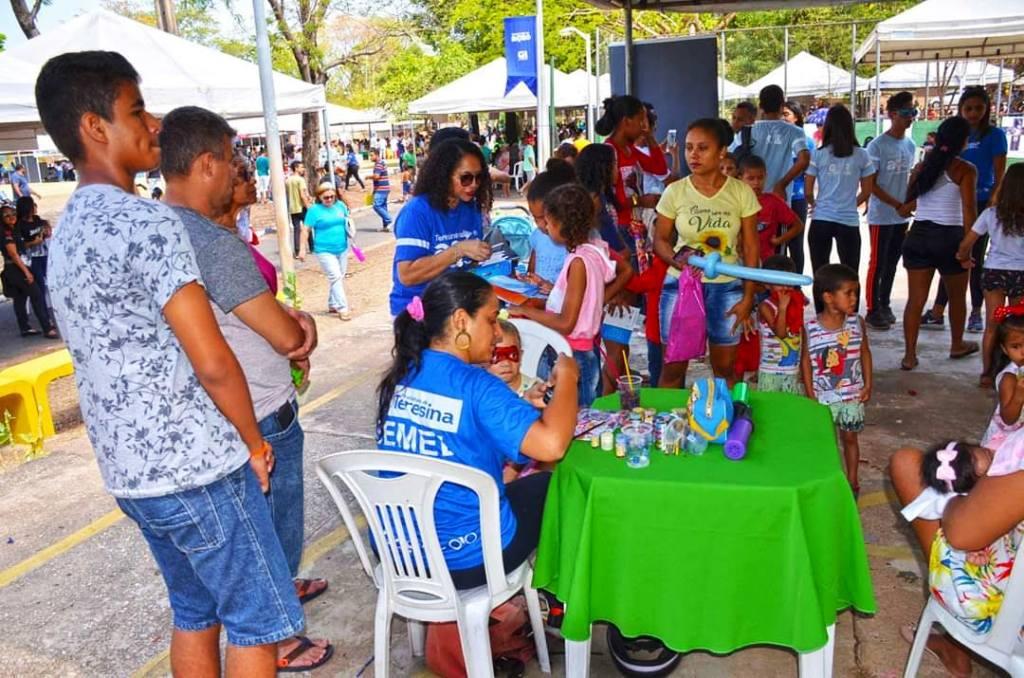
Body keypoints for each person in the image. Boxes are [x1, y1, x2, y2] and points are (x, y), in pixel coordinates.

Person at [36, 50, 299, 676]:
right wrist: (252, 440)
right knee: (257, 623)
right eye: (136, 110)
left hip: (132, 473)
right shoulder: (146, 222)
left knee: (194, 612)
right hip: (198, 465)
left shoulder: (67, 227)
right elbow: (212, 360)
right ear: (95, 128)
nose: (153, 123)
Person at [159, 106, 331, 674]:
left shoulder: (154, 230)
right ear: (207, 164)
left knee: (196, 608)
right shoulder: (209, 241)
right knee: (262, 583)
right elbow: (280, 336)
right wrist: (301, 329)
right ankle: (281, 639)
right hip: (257, 415)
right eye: (234, 160)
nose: (241, 171)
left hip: (193, 433)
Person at [376, 271, 577, 589]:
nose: (498, 334)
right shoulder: (477, 385)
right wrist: (568, 378)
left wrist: (522, 403)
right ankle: (556, 600)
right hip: (465, 557)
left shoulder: (402, 373)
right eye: (492, 319)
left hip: (402, 551)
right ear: (460, 321)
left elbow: (456, 436)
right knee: (560, 487)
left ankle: (464, 628)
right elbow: (552, 446)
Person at [889, 444, 1024, 678]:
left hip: (1004, 617)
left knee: (906, 464)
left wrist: (957, 498)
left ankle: (958, 643)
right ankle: (955, 646)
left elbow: (960, 535)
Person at [654, 118, 760, 388]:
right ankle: (670, 425)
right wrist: (680, 262)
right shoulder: (675, 191)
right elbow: (661, 240)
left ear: (722, 151)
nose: (693, 155)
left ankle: (726, 425)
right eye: (689, 148)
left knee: (726, 370)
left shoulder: (741, 192)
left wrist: (749, 297)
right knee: (674, 368)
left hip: (726, 290)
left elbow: (750, 248)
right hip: (680, 287)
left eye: (703, 148)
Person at [510, 184, 616, 407]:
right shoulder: (591, 251)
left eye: (548, 222)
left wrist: (524, 311)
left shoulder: (579, 262)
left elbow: (567, 322)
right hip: (580, 350)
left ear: (562, 225)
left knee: (575, 417)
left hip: (573, 352)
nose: (545, 228)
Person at [925, 87, 1009, 334]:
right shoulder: (955, 133)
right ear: (961, 110)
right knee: (951, 256)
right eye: (968, 108)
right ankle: (938, 310)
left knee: (972, 257)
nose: (973, 113)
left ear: (987, 109)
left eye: (978, 108)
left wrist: (993, 202)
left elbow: (1000, 174)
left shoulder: (994, 135)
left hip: (981, 204)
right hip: (955, 203)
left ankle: (975, 312)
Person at [899, 116, 979, 371]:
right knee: (957, 297)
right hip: (949, 237)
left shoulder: (924, 167)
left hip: (919, 235)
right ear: (964, 141)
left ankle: (909, 355)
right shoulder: (965, 169)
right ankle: (957, 344)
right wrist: (968, 246)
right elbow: (968, 209)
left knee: (915, 300)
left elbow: (906, 206)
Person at [389, 139, 492, 317]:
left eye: (479, 177)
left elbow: (465, 265)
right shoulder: (417, 211)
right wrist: (458, 250)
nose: (474, 184)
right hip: (417, 312)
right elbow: (407, 275)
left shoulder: (471, 208)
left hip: (454, 307)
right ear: (444, 175)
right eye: (466, 178)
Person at [801, 264, 872, 493]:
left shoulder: (857, 323)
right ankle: (830, 480)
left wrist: (868, 383)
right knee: (827, 441)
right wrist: (811, 393)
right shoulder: (811, 328)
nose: (854, 299)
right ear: (828, 297)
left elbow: (864, 352)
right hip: (823, 396)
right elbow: (805, 361)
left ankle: (852, 482)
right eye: (848, 293)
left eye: (856, 293)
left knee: (850, 438)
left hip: (853, 393)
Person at [957, 165, 1024, 386]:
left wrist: (963, 257)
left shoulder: (991, 214)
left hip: (994, 271)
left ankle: (987, 374)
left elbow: (968, 242)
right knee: (1019, 325)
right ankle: (1017, 371)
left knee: (993, 325)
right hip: (1021, 274)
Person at [864, 92, 918, 330]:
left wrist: (909, 203)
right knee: (877, 262)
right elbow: (872, 184)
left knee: (893, 261)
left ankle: (884, 303)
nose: (911, 118)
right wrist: (897, 204)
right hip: (882, 215)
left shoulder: (910, 144)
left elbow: (910, 178)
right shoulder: (877, 146)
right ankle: (872, 308)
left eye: (913, 112)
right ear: (892, 115)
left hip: (901, 215)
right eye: (906, 113)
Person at [804, 104, 876, 279]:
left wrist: (815, 204)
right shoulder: (862, 155)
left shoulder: (818, 155)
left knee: (820, 273)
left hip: (821, 218)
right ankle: (850, 306)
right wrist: (852, 204)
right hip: (849, 220)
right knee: (850, 274)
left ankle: (822, 306)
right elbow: (867, 190)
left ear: (828, 126)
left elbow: (808, 190)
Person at [1, 205, 57, 338]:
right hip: (16, 268)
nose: (12, 217)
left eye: (13, 213)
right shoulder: (6, 233)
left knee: (20, 299)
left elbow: (22, 246)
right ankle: (47, 328)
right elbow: (13, 255)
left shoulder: (14, 230)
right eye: (7, 216)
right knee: (36, 295)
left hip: (17, 267)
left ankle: (24, 327)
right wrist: (26, 272)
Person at [737, 155, 803, 264]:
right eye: (751, 178)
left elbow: (798, 225)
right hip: (738, 260)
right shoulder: (734, 201)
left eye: (760, 178)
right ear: (740, 178)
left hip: (766, 261)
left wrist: (779, 240)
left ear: (766, 176)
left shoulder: (773, 201)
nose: (756, 183)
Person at [750, 85, 811, 201]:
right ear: (782, 106)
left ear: (760, 106)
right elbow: (804, 159)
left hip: (751, 198)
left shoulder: (748, 131)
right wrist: (782, 184)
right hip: (780, 198)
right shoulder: (794, 131)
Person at [302, 182, 354, 320]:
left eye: (332, 196)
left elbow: (349, 215)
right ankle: (343, 308)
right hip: (324, 250)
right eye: (326, 197)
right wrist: (302, 249)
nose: (329, 200)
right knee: (335, 276)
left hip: (342, 247)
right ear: (319, 197)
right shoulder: (314, 211)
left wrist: (343, 195)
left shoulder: (340, 206)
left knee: (339, 276)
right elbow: (305, 229)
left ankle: (332, 303)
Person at [757, 255, 805, 395]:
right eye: (780, 283)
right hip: (770, 371)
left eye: (789, 282)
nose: (785, 287)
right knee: (770, 408)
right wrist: (783, 308)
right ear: (767, 284)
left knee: (789, 410)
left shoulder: (796, 303)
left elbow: (800, 332)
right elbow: (781, 334)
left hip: (791, 370)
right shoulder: (766, 306)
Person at [525, 162, 574, 290]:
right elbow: (531, 271)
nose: (540, 225)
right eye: (535, 218)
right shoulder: (537, 235)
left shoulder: (579, 242)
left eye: (543, 218)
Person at [780, 100, 814, 273]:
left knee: (796, 244)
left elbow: (811, 170)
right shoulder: (777, 140)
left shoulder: (806, 141)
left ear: (797, 117)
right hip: (779, 198)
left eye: (786, 114)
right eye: (781, 114)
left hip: (797, 197)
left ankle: (796, 286)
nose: (783, 118)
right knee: (779, 244)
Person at [15, 195, 52, 302]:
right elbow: (20, 246)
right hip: (32, 259)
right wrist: (33, 242)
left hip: (45, 254)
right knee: (40, 286)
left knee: (51, 281)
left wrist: (47, 231)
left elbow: (46, 231)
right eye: (33, 205)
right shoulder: (20, 225)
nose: (35, 207)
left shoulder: (37, 219)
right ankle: (45, 314)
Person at [285, 160, 311, 259]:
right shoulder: (300, 180)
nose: (303, 169)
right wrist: (308, 206)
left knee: (296, 229)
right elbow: (302, 195)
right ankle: (312, 247)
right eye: (301, 167)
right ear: (296, 168)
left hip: (293, 208)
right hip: (302, 207)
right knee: (307, 227)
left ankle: (296, 250)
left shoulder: (288, 180)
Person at [370, 147, 392, 232]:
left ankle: (389, 219)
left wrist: (368, 177)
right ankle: (386, 226)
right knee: (383, 206)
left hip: (382, 189)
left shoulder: (379, 164)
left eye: (372, 155)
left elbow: (376, 177)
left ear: (376, 155)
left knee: (376, 205)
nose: (370, 157)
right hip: (383, 188)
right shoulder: (381, 163)